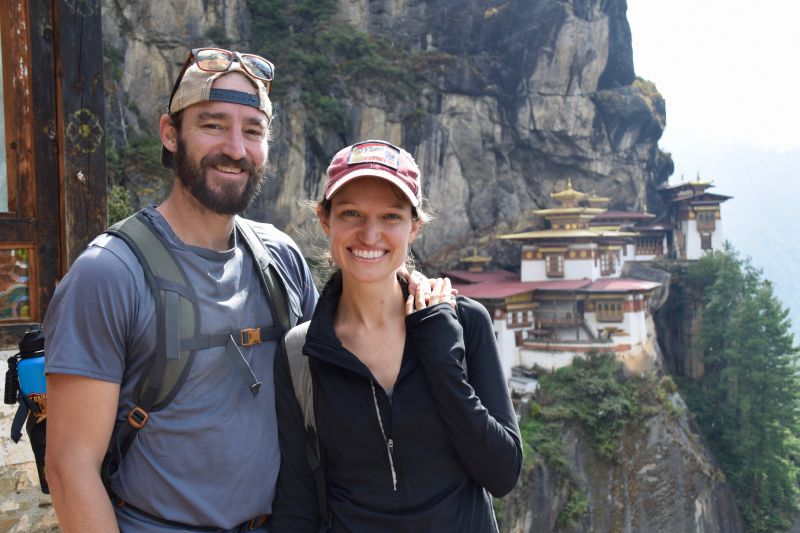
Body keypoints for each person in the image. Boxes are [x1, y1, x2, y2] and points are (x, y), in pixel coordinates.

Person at [43, 47, 319, 532]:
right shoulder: (109, 274)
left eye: (252, 130)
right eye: (213, 125)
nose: (235, 147)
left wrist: (414, 289)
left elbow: (341, 374)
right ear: (170, 134)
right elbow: (69, 468)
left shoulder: (282, 260)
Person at [271, 140, 523, 532]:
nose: (370, 235)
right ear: (325, 220)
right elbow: (297, 503)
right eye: (351, 213)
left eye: (390, 216)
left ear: (414, 227)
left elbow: (502, 473)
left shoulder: (464, 323)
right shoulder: (302, 353)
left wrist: (441, 356)